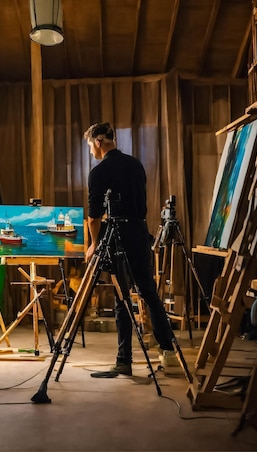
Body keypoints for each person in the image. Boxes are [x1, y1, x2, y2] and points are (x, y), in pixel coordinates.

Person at [83, 122, 179, 376]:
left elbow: (94, 216)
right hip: (139, 232)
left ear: (98, 142)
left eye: (90, 146)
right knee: (149, 293)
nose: (91, 151)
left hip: (117, 237)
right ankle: (168, 353)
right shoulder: (136, 164)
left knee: (121, 297)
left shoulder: (100, 170)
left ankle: (123, 360)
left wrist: (94, 244)